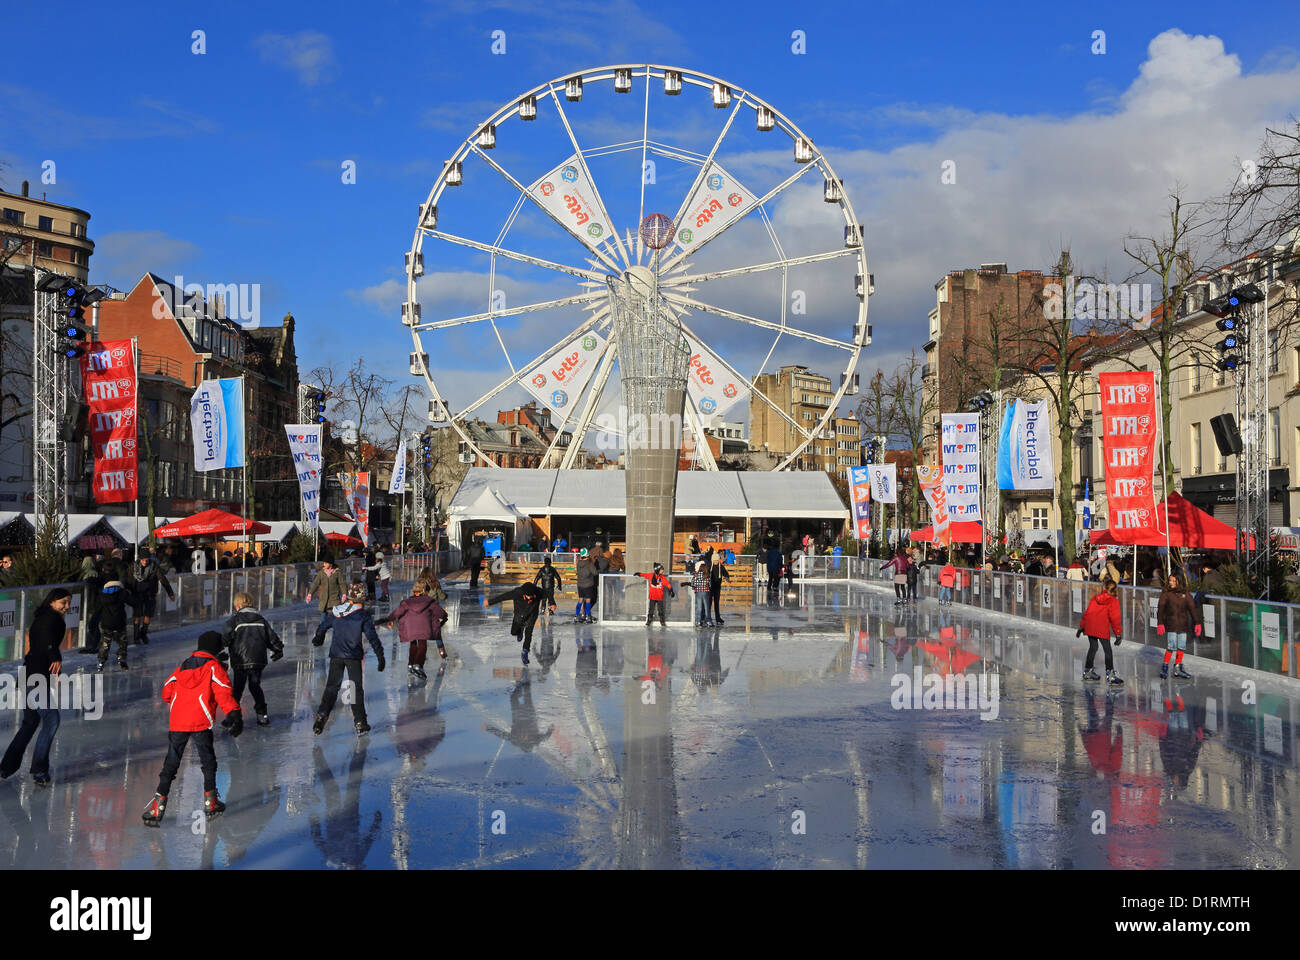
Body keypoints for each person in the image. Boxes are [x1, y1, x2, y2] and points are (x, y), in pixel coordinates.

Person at [142, 631, 243, 826]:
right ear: (216, 649)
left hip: (178, 721)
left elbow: (166, 692)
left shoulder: (182, 666)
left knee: (171, 764)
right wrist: (234, 713)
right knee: (208, 761)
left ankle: (158, 806)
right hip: (200, 721)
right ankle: (210, 802)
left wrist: (182, 701)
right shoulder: (214, 667)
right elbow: (223, 691)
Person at [0, 588, 71, 786]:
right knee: (51, 718)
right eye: (63, 602)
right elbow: (47, 639)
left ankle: (7, 766)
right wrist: (54, 655)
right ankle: (39, 769)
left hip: (31, 675)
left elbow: (39, 640)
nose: (66, 607)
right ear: (52, 602)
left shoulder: (44, 616)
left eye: (68, 603)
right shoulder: (51, 619)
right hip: (35, 677)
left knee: (30, 722)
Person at [312, 582, 386, 735]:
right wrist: (380, 655)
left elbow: (323, 625)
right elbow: (372, 637)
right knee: (355, 689)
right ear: (361, 597)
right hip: (353, 657)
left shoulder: (337, 612)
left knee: (332, 688)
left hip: (336, 655)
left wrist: (318, 638)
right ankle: (360, 722)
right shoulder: (362, 615)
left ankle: (321, 717)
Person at [219, 591, 284, 727]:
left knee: (237, 689)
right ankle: (262, 716)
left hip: (240, 661)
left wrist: (217, 652)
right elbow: (271, 638)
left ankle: (231, 717)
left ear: (237, 606)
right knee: (255, 687)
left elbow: (223, 638)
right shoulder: (261, 620)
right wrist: (278, 649)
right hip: (257, 660)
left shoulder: (235, 620)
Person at [377, 580, 447, 679]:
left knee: (413, 644)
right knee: (422, 645)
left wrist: (389, 618)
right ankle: (418, 665)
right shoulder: (429, 601)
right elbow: (439, 612)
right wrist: (445, 616)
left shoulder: (407, 602)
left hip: (410, 627)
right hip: (424, 627)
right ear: (424, 590)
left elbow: (397, 612)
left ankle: (411, 664)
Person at [1078, 578, 1124, 685]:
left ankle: (1087, 671)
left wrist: (1082, 626)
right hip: (1101, 628)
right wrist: (1118, 633)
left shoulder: (1095, 598)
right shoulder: (1113, 600)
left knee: (1093, 648)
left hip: (1091, 626)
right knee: (1107, 650)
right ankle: (1110, 675)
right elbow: (1115, 618)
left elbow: (1087, 613)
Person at [488, 581, 545, 665]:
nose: (529, 598)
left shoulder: (538, 592)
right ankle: (520, 630)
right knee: (513, 632)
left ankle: (525, 652)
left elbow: (548, 593)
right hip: (519, 616)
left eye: (531, 596)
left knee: (529, 634)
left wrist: (552, 603)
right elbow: (503, 597)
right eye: (528, 596)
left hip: (532, 615)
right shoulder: (517, 592)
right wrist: (490, 602)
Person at [1157, 573, 1200, 680]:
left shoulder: (1185, 594)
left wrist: (1197, 622)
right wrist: (1160, 623)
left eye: (1173, 581)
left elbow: (1192, 608)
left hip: (1183, 624)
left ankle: (1177, 667)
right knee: (1171, 646)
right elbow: (1160, 609)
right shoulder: (1166, 593)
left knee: (1181, 646)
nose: (1170, 583)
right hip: (1171, 624)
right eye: (1170, 580)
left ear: (1178, 582)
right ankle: (1165, 666)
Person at [129, 549, 175, 645]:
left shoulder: (154, 567)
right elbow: (128, 580)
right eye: (143, 560)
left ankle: (143, 633)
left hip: (150, 594)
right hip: (137, 594)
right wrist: (127, 592)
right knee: (137, 615)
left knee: (148, 615)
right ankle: (136, 636)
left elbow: (162, 579)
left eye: (146, 560)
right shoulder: (133, 567)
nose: (145, 562)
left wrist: (170, 593)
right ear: (139, 559)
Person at [96, 572, 136, 671]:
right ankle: (122, 658)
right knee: (123, 642)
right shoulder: (122, 592)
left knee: (105, 643)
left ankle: (101, 661)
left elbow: (97, 607)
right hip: (120, 622)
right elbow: (133, 602)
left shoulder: (102, 593)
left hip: (106, 622)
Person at [306, 558, 347, 646]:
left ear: (331, 564)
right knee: (322, 623)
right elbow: (315, 584)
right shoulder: (321, 573)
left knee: (336, 622)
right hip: (324, 602)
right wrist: (310, 594)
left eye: (326, 562)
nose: (324, 564)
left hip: (334, 601)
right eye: (324, 562)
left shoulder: (337, 573)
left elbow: (342, 584)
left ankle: (339, 640)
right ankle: (319, 640)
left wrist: (344, 594)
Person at [573, 549, 597, 623]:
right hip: (588, 584)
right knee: (588, 600)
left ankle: (576, 615)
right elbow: (595, 572)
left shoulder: (579, 563)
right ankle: (588, 616)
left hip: (580, 584)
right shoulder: (589, 563)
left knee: (580, 599)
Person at [691, 551, 714, 627]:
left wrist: (695, 587)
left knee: (699, 608)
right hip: (705, 592)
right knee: (707, 607)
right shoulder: (706, 576)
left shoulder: (696, 575)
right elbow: (709, 584)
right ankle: (708, 621)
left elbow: (692, 583)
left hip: (698, 592)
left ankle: (698, 621)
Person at [708, 550, 730, 625]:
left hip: (717, 587)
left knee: (716, 603)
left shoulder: (721, 567)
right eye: (714, 561)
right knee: (709, 603)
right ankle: (708, 617)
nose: (716, 562)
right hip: (710, 587)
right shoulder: (709, 567)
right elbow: (704, 574)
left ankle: (718, 618)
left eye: (717, 560)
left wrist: (727, 577)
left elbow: (725, 573)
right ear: (712, 560)